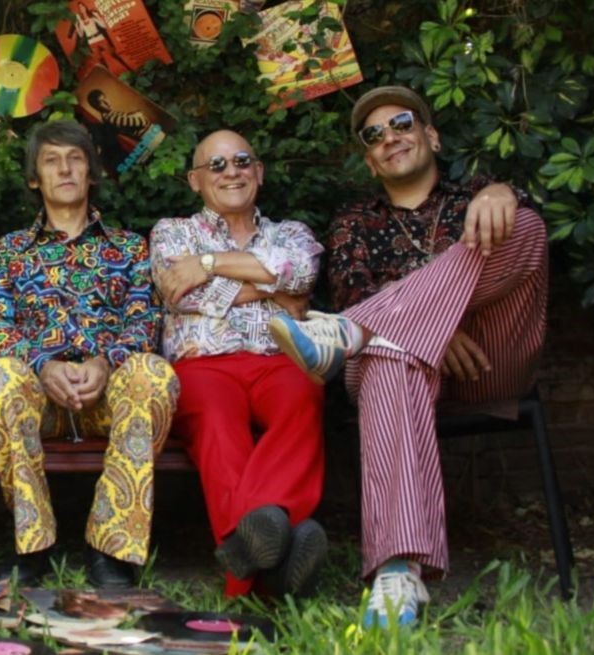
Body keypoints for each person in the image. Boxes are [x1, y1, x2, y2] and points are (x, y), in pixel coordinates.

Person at [269, 86, 548, 627]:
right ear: (370, 161)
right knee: (385, 358)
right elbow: (353, 290)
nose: (389, 137)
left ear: (432, 136)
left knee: (524, 225)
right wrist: (429, 331)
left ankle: (349, 334)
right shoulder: (354, 222)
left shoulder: (479, 196)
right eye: (373, 135)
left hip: (490, 359)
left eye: (401, 123)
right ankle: (398, 573)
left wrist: (503, 193)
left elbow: (519, 242)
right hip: (399, 368)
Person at [0, 120, 177, 589]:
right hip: (38, 397)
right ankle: (33, 543)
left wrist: (105, 363)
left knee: (153, 374)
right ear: (35, 179)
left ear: (91, 173)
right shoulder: (10, 251)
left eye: (75, 159)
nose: (65, 169)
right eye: (51, 161)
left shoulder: (128, 247)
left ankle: (111, 547)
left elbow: (144, 320)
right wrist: (43, 366)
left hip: (109, 395)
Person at [150, 130, 328, 599]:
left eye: (242, 161)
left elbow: (302, 272)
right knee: (217, 421)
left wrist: (208, 262)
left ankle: (243, 556)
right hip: (204, 364)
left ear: (259, 172)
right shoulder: (172, 232)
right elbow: (182, 294)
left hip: (279, 358)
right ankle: (268, 575)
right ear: (195, 180)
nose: (231, 172)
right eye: (217, 165)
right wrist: (274, 289)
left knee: (304, 397)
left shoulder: (291, 233)